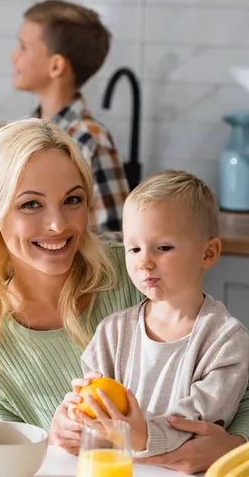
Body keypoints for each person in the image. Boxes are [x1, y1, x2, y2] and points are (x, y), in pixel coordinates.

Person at [0, 118, 249, 474]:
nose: (58, 225)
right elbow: (0, 462)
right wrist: (54, 438)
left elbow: (233, 387)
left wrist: (234, 447)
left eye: (72, 200)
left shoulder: (133, 271)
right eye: (31, 205)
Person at [62, 170, 249, 457]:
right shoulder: (112, 332)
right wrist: (78, 414)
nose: (144, 262)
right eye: (134, 248)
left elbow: (198, 422)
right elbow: (95, 413)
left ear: (208, 253)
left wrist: (142, 435)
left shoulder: (226, 341)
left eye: (163, 247)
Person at [11, 0, 129, 234]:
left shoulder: (89, 139)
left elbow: (115, 241)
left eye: (23, 47)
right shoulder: (25, 132)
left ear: (56, 66)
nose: (13, 57)